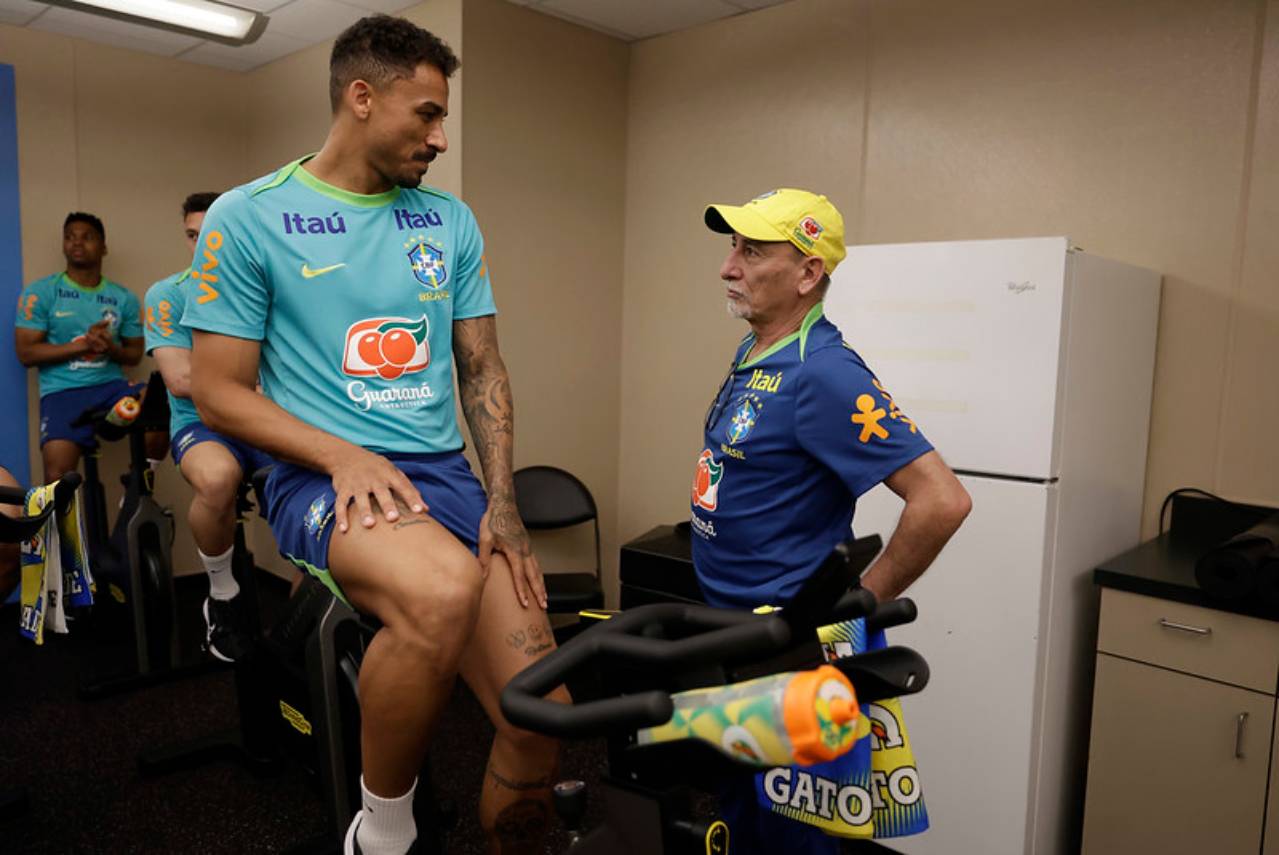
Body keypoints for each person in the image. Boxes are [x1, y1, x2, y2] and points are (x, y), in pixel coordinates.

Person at [182, 16, 564, 855]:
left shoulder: (447, 221)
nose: (440, 136)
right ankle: (381, 832)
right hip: (321, 473)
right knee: (435, 592)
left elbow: (482, 368)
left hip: (446, 474)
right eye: (425, 114)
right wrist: (340, 453)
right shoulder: (250, 217)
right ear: (362, 97)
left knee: (541, 716)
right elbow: (215, 392)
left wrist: (502, 500)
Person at [692, 188, 972, 853]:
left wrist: (857, 608)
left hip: (790, 648)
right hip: (730, 633)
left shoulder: (823, 371)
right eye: (732, 247)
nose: (728, 266)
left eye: (751, 250)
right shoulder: (757, 349)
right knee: (742, 812)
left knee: (794, 835)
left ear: (808, 273)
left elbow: (942, 499)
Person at [144, 192, 272, 662]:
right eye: (193, 236)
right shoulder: (169, 293)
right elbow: (179, 380)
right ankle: (221, 594)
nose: (201, 247)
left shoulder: (262, 287)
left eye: (210, 235)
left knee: (319, 491)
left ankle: (308, 616)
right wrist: (254, 384)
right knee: (218, 480)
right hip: (203, 425)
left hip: (265, 423)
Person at [14, 213, 144, 482]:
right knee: (58, 476)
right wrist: (85, 345)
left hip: (110, 388)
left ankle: (138, 479)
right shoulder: (41, 292)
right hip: (63, 391)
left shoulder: (124, 298)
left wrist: (111, 348)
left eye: (87, 237)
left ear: (103, 247)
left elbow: (134, 355)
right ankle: (58, 525)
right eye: (70, 236)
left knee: (157, 402)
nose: (77, 243)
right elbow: (26, 353)